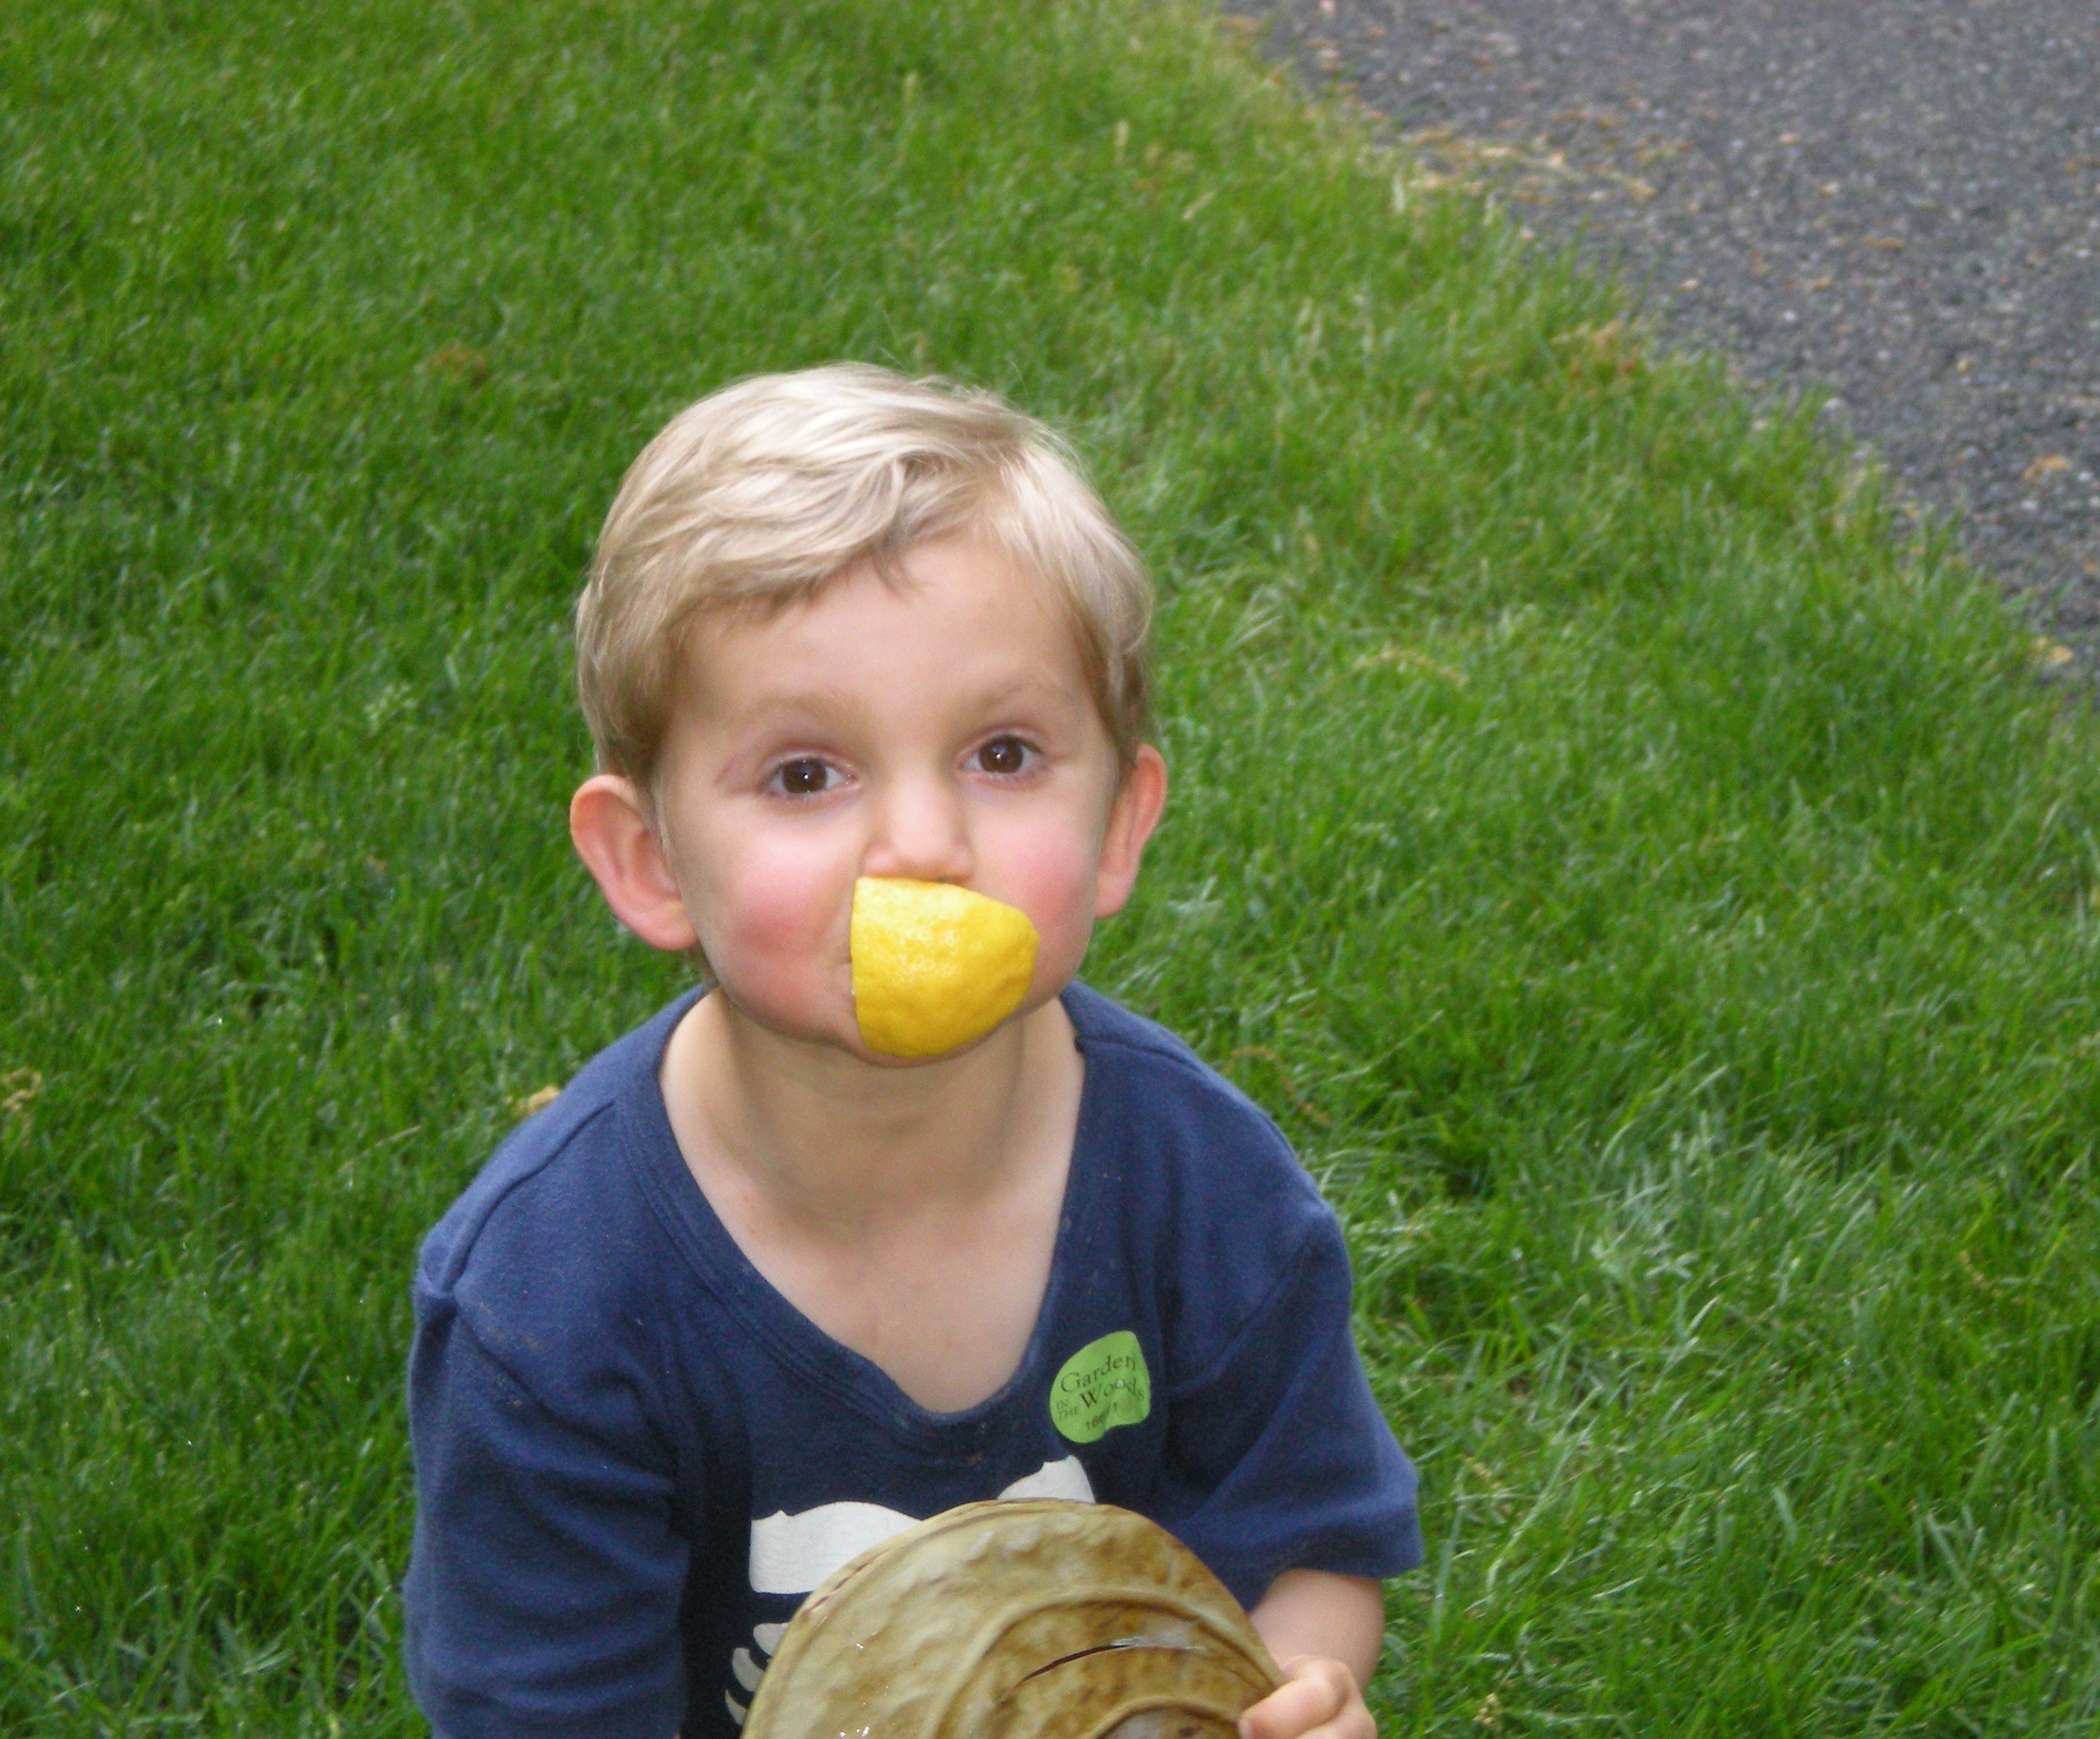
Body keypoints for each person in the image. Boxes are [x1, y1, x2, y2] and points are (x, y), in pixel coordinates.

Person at [404, 365, 1423, 1739]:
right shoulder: (555, 1304)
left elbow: (1305, 1541)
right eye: (806, 774)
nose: (928, 848)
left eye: (1003, 753)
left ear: (1121, 824)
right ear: (648, 865)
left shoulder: (1206, 1187)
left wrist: (1293, 1688)